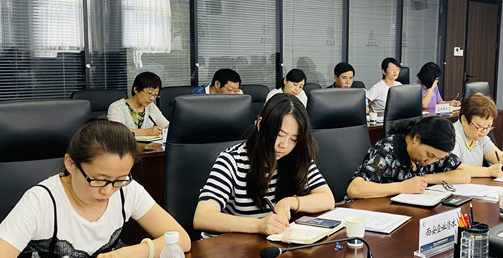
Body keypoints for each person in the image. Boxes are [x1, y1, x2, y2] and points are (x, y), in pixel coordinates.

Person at [0, 119, 190, 258]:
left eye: (119, 180)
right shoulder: (41, 201)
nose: (108, 191)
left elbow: (181, 239)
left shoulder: (126, 190)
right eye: (98, 180)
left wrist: (123, 253)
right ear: (71, 164)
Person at [194, 94, 335, 235]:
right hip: (231, 245)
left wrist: (288, 202)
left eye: (293, 139)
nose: (284, 145)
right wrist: (259, 225)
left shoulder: (297, 157)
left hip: (271, 244)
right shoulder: (232, 161)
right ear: (261, 124)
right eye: (279, 135)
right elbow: (202, 217)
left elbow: (327, 199)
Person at [347, 117, 470, 199]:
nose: (430, 162)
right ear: (417, 138)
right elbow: (355, 189)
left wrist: (426, 179)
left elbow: (464, 175)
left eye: (437, 159)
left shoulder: (436, 152)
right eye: (430, 155)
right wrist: (403, 187)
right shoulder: (387, 151)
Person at [454, 94, 503, 178]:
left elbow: (499, 156)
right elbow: (455, 167)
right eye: (479, 126)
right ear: (464, 120)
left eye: (488, 127)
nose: (484, 131)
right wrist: (488, 171)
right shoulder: (452, 137)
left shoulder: (480, 137)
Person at [107, 71, 168, 136]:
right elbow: (115, 132)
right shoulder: (116, 107)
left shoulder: (151, 106)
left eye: (155, 94)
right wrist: (146, 132)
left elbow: (166, 126)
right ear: (136, 89)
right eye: (149, 93)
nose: (152, 98)